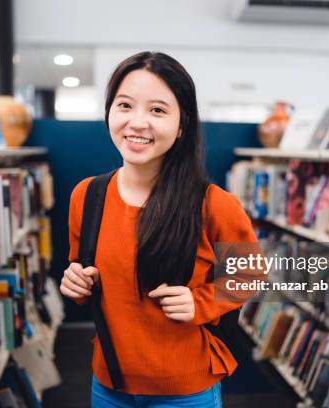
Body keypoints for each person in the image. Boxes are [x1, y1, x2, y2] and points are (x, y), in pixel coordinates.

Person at [60, 51, 258, 408]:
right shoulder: (86, 196)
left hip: (186, 390)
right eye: (125, 106)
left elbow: (250, 274)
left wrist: (200, 302)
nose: (137, 122)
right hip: (109, 383)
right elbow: (83, 276)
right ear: (109, 113)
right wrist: (75, 282)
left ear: (182, 125)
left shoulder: (215, 204)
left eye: (157, 110)